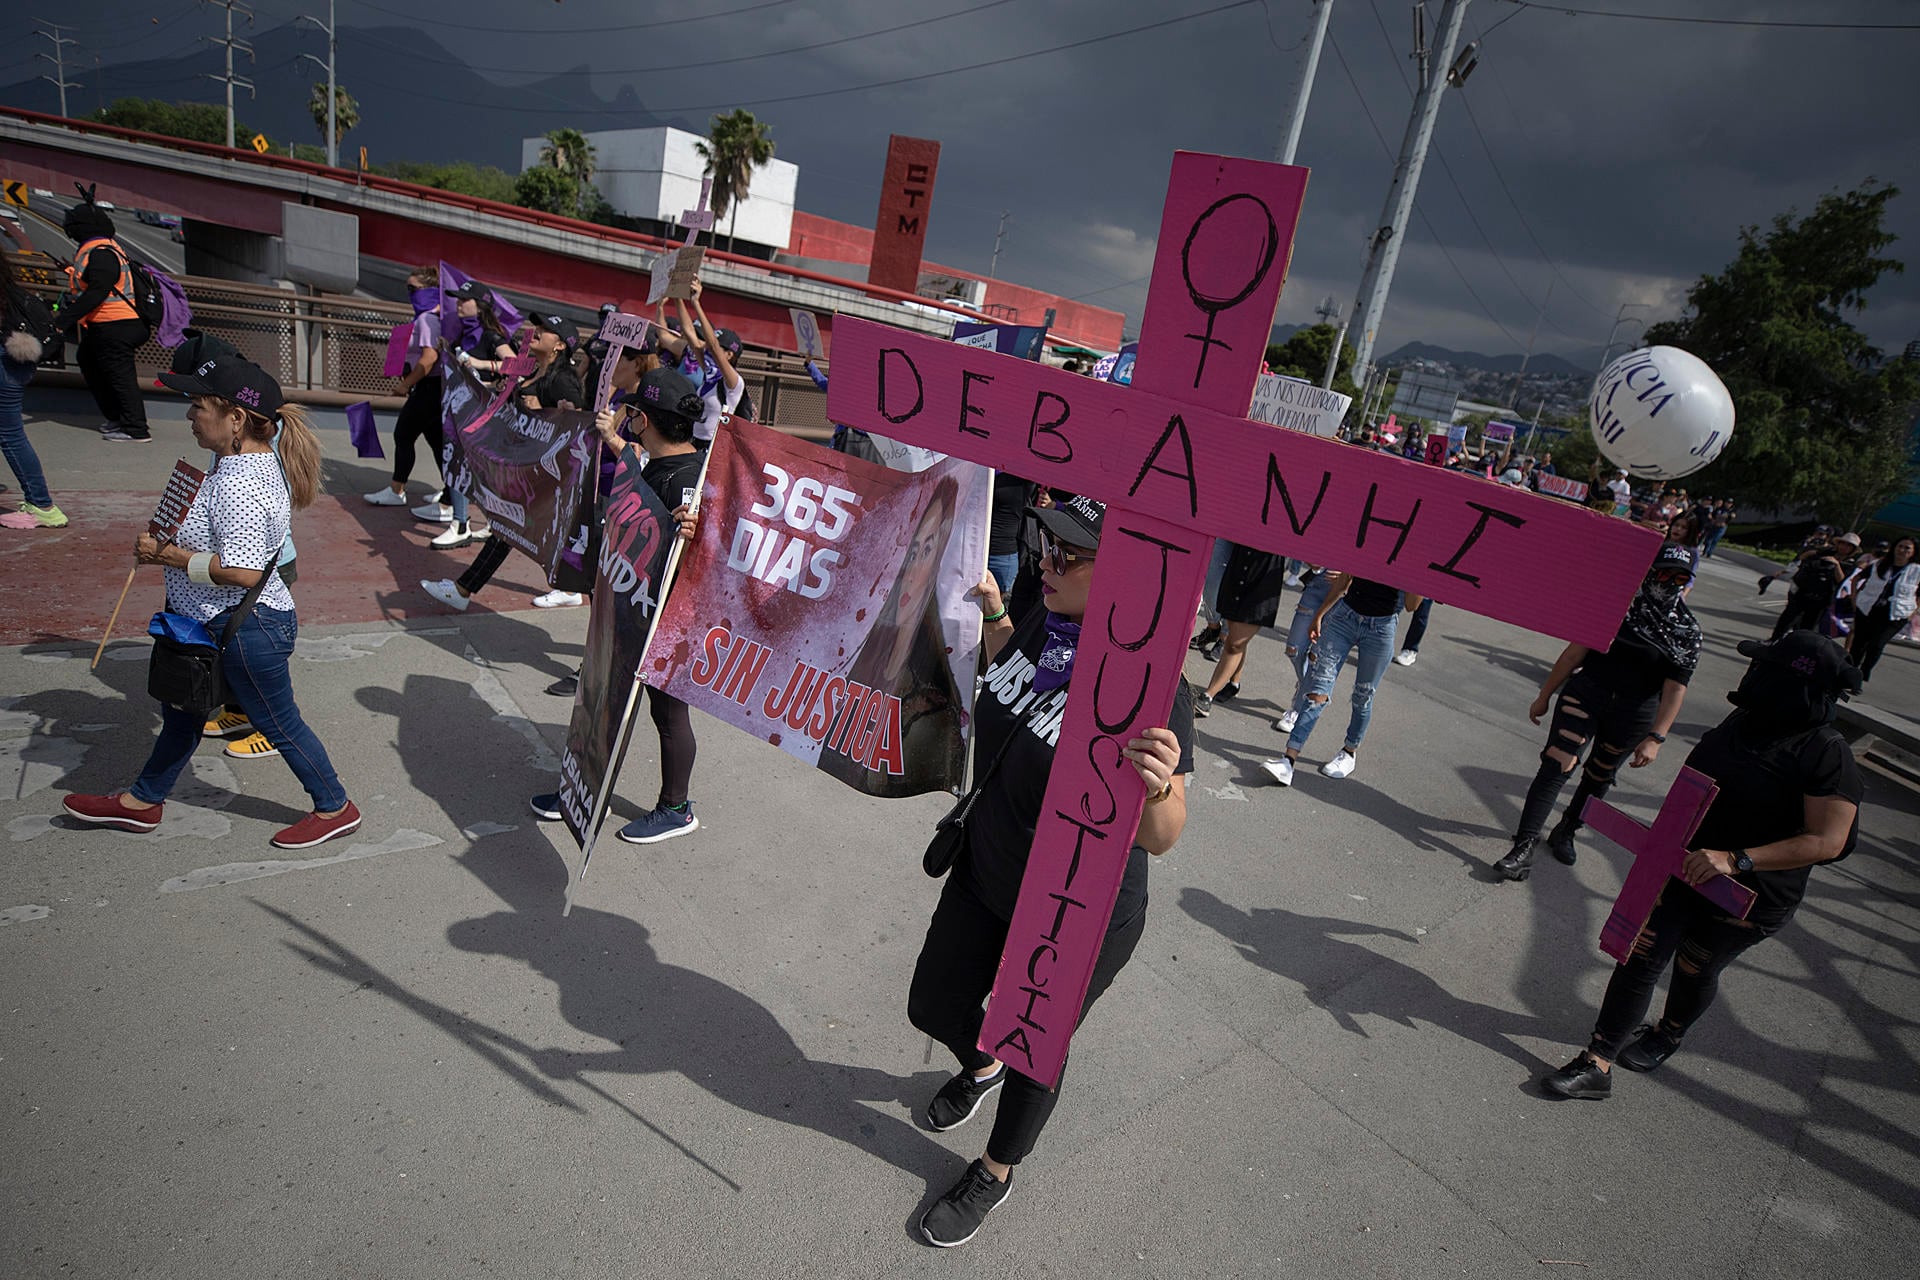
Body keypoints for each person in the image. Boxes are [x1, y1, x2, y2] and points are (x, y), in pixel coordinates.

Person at [906, 493, 1194, 1248]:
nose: (1046, 559)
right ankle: (980, 1063)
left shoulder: (1156, 685)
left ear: (1125, 576)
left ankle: (996, 1171)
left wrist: (1158, 783)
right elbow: (1015, 686)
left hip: (1079, 909)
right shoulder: (1047, 614)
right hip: (989, 864)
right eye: (1046, 543)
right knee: (933, 1004)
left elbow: (1164, 838)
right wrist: (1000, 614)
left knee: (1035, 1041)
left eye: (1069, 554)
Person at [1541, 630, 1863, 1100]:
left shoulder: (1827, 752)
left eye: (1765, 668)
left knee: (1695, 965)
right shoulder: (1743, 720)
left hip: (1752, 892)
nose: (1753, 674)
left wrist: (1738, 860)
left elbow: (1829, 841)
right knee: (1642, 953)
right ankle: (1598, 1061)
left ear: (1792, 684)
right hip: (1686, 867)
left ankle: (1668, 1032)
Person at [61, 354, 361, 849]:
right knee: (182, 715)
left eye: (198, 405)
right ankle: (143, 802)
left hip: (246, 628)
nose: (189, 415)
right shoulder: (239, 462)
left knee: (278, 724)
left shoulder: (241, 480)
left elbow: (242, 572)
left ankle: (334, 806)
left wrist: (170, 555)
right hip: (212, 625)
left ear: (236, 418)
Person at [530, 365, 708, 844]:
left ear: (644, 420)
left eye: (631, 412)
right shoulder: (660, 462)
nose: (626, 419)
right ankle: (584, 792)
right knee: (605, 702)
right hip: (629, 609)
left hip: (666, 624)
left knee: (667, 715)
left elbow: (709, 552)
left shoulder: (694, 479)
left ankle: (677, 808)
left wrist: (696, 533)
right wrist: (612, 442)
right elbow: (639, 480)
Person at [1494, 544, 1700, 881]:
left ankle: (1567, 830)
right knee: (1556, 764)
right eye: (1663, 573)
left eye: (1680, 577)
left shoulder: (1688, 633)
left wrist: (1657, 737)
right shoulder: (1617, 607)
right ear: (1649, 572)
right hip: (1586, 694)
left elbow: (1675, 689)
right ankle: (1524, 845)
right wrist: (1544, 695)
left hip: (1634, 713)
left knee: (1599, 776)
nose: (1670, 583)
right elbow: (1574, 654)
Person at [420, 314, 585, 612]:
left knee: (511, 529)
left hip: (548, 478)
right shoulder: (533, 369)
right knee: (509, 529)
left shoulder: (564, 381)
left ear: (559, 345)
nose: (536, 332)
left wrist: (549, 411)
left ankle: (463, 589)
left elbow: (575, 427)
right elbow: (497, 377)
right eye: (538, 326)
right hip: (524, 468)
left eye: (546, 330)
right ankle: (568, 588)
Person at [821, 477, 968, 796]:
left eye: (927, 551)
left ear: (939, 563)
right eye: (912, 551)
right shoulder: (864, 649)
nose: (912, 570)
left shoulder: (932, 703)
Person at [1260, 573, 1423, 785]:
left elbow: (1412, 605)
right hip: (1344, 617)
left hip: (1381, 628)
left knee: (1362, 696)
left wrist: (1417, 575)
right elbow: (1345, 577)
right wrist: (1320, 614)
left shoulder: (1415, 555)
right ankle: (1288, 760)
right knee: (1317, 690)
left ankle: (1349, 751)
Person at [418, 280, 515, 542]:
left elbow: (515, 364)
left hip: (480, 414)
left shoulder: (490, 336)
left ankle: (465, 524)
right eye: (458, 299)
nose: (459, 303)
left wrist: (479, 364)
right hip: (460, 410)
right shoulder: (462, 333)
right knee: (461, 465)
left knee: (468, 467)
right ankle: (471, 522)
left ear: (480, 305)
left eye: (464, 299)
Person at [59, 191, 152, 443]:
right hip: (110, 324)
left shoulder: (100, 252)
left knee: (120, 375)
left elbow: (99, 290)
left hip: (117, 325)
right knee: (88, 359)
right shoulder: (103, 250)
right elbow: (98, 283)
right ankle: (118, 418)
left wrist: (62, 320)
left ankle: (136, 428)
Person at [364, 266, 445, 508]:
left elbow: (429, 358)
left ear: (429, 291)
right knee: (437, 442)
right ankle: (450, 494)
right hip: (433, 388)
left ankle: (397, 490)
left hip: (428, 388)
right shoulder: (429, 318)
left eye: (413, 289)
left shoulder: (427, 319)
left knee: (403, 434)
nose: (409, 294)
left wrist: (405, 385)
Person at [1, 255, 65, 528]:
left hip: (4, 361)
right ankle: (40, 502)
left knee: (11, 435)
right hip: (17, 358)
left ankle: (41, 504)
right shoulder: (10, 291)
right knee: (11, 433)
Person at [1194, 543, 1287, 717]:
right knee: (1236, 638)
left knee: (1234, 643)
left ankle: (1208, 696)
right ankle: (1234, 683)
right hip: (1239, 565)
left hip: (1263, 576)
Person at [1846, 536, 1918, 682]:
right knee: (1859, 644)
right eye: (1900, 546)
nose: (1902, 550)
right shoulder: (1879, 564)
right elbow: (1856, 578)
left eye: (1907, 548)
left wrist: (1913, 612)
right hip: (1868, 609)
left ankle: (1864, 672)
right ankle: (1850, 675)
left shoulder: (1916, 571)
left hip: (1896, 614)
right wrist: (1854, 597)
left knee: (1877, 645)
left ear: (1913, 552)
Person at [1770, 532, 1850, 638]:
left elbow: (1842, 581)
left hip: (1822, 598)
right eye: (1843, 543)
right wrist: (1817, 553)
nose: (1844, 547)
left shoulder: (1850, 563)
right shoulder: (1826, 552)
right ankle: (1774, 640)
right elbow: (1803, 557)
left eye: (1849, 545)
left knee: (1808, 626)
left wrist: (1836, 564)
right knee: (1787, 618)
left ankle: (1798, 648)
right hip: (1804, 590)